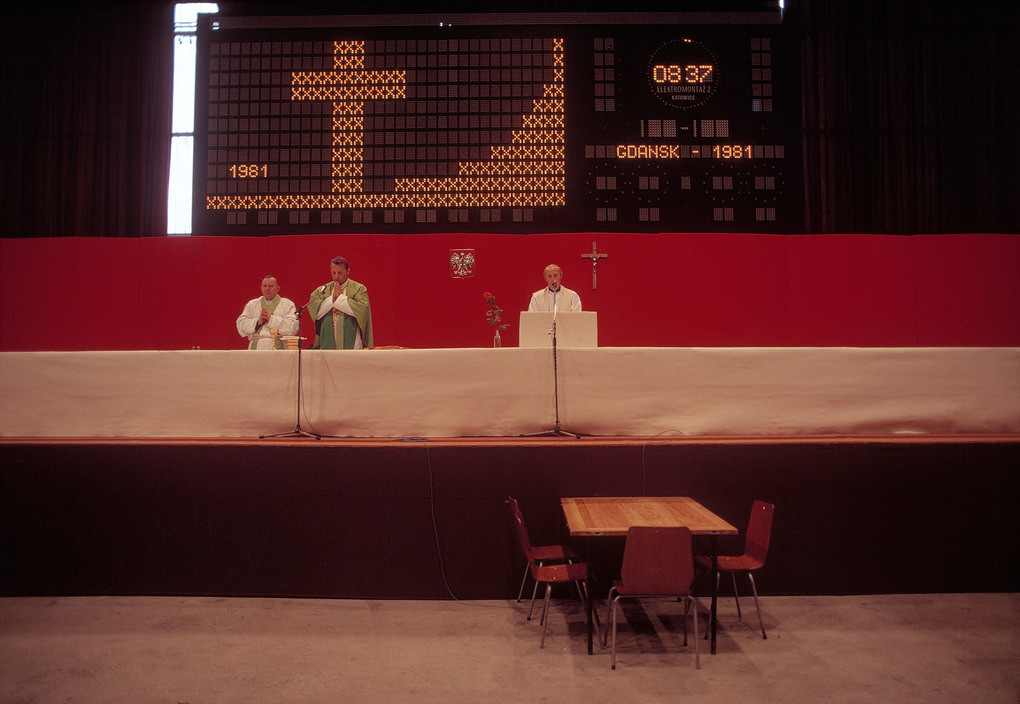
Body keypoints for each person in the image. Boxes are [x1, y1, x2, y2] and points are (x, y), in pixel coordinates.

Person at [307, 256, 374, 349]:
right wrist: (332, 299)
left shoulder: (359, 288)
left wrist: (339, 299)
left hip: (352, 339)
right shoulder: (323, 289)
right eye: (333, 272)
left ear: (348, 271)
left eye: (340, 273)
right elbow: (316, 313)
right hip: (328, 338)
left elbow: (361, 310)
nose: (336, 276)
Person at [236, 275, 299, 350]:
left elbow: (292, 328)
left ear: (278, 288)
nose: (267, 289)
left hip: (278, 345)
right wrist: (258, 322)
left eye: (271, 286)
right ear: (261, 288)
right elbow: (241, 325)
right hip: (257, 346)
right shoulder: (252, 304)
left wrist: (271, 319)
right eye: (264, 286)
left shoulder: (288, 304)